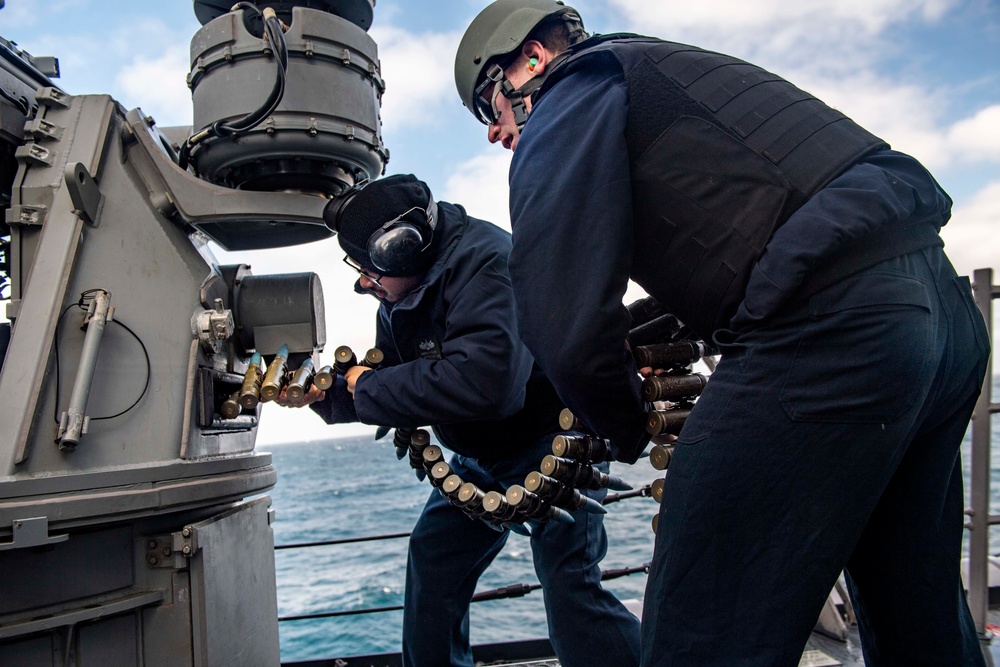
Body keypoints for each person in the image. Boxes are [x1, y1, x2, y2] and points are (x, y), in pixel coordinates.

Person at [453, 2, 992, 665]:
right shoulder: (657, 70)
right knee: (920, 620)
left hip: (828, 339)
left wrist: (624, 425)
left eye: (489, 105)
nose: (494, 131)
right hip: (942, 324)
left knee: (701, 638)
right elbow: (764, 217)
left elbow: (557, 307)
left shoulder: (574, 90)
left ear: (530, 61)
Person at [276, 173, 641, 667]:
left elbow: (490, 385)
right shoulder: (400, 285)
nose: (363, 283)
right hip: (476, 458)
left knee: (570, 589)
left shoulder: (488, 262)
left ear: (402, 250)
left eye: (369, 270)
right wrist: (327, 395)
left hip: (554, 448)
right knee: (433, 566)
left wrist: (368, 386)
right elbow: (398, 374)